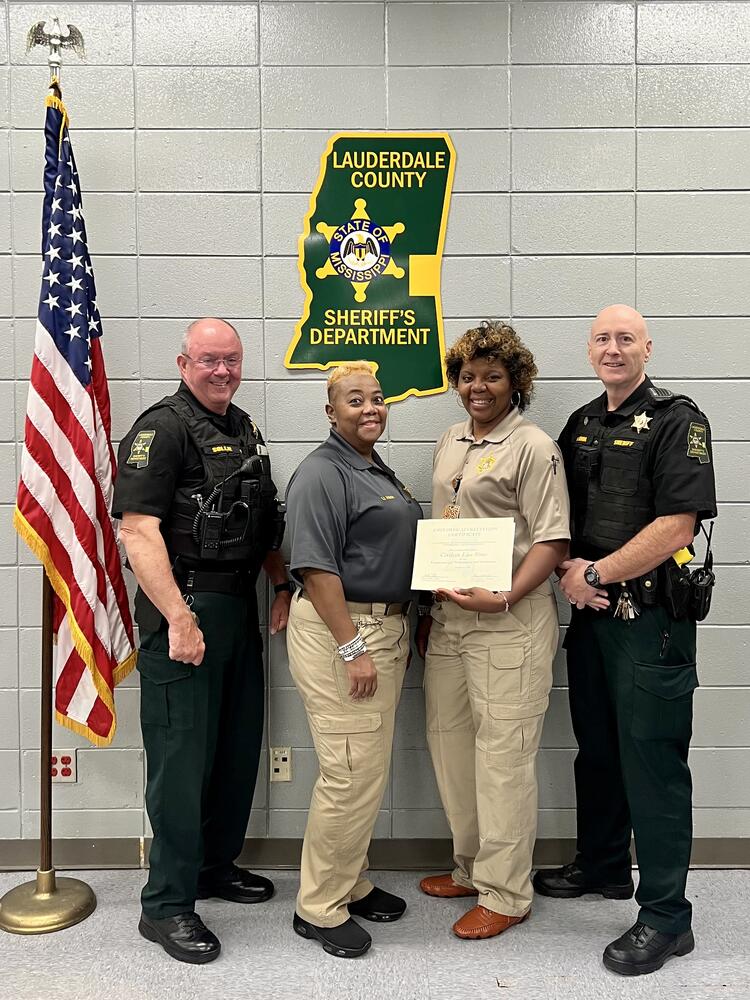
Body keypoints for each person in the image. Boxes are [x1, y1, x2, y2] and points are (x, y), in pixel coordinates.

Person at [533, 304, 717, 976]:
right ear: (589, 350)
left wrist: (596, 571)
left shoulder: (678, 420)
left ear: (647, 347)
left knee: (655, 767)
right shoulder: (581, 423)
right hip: (591, 618)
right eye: (602, 339)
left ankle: (667, 917)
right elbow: (553, 517)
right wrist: (565, 571)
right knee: (599, 751)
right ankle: (604, 865)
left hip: (651, 625)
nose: (613, 349)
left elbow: (678, 524)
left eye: (625, 339)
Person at [113, 318, 293, 964]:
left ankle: (214, 868)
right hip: (184, 608)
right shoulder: (161, 428)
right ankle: (165, 904)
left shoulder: (241, 425)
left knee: (235, 749)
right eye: (210, 360)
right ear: (184, 361)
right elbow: (138, 532)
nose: (223, 370)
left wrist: (277, 581)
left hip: (238, 605)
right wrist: (179, 620)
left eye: (232, 360)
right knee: (181, 762)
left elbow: (260, 514)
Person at [415, 321, 571, 940]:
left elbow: (553, 540)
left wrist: (503, 595)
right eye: (468, 376)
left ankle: (507, 893)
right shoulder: (451, 438)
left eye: (492, 376)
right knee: (451, 748)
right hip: (450, 622)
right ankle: (473, 866)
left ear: (516, 382)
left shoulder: (534, 446)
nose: (478, 387)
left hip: (510, 623)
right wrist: (436, 609)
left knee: (503, 758)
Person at [285, 362, 423, 958]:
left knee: (363, 770)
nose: (370, 408)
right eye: (354, 400)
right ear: (330, 411)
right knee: (347, 773)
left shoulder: (370, 466)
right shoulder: (322, 471)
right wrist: (352, 648)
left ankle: (351, 879)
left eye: (377, 398)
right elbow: (315, 569)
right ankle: (317, 906)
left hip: (381, 628)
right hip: (346, 633)